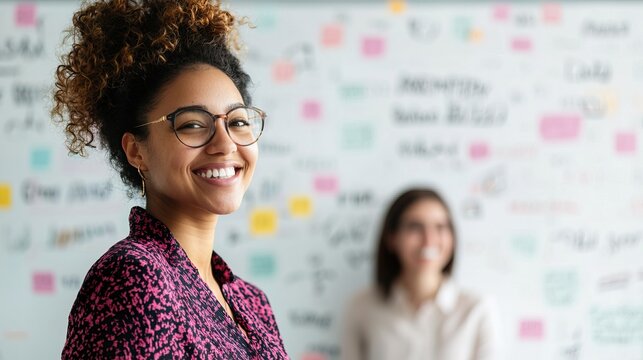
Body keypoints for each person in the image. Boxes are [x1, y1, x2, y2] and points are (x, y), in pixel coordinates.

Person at [52, 0, 288, 358]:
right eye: (193, 124)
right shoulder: (134, 277)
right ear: (136, 151)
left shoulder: (251, 302)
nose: (225, 144)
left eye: (238, 121)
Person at [342, 188, 501, 360]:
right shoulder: (362, 306)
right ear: (392, 238)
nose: (429, 239)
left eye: (440, 227)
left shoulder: (477, 310)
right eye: (415, 227)